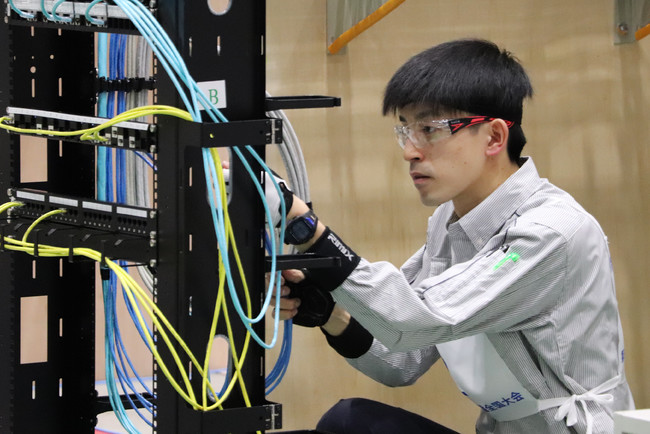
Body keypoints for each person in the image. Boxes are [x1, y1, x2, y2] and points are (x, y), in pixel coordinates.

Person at [271, 38, 635, 434]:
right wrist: (329, 314)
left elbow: (413, 321)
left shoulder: (550, 233)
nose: (410, 151)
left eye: (429, 129)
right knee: (349, 421)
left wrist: (303, 225)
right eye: (406, 130)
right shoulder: (451, 223)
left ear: (494, 138)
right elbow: (402, 360)